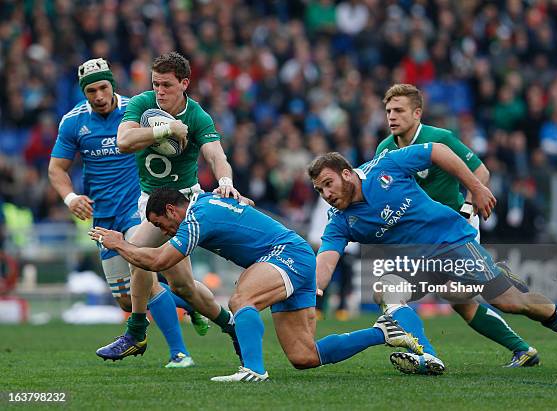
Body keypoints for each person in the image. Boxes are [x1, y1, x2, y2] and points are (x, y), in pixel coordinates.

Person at [308, 147, 557, 373]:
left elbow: (438, 152)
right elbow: (326, 259)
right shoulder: (341, 221)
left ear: (346, 173)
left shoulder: (385, 166)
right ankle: (427, 355)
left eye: (328, 183)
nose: (326, 193)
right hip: (415, 264)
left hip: (452, 242)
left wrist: (476, 187)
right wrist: (312, 288)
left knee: (510, 302)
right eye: (320, 189)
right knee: (386, 290)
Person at [89, 187, 425, 382]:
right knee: (304, 356)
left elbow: (160, 262)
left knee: (241, 299)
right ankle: (384, 331)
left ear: (172, 208)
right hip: (292, 257)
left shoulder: (195, 217)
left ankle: (253, 370)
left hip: (284, 254)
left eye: (159, 221)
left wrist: (119, 243)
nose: (161, 228)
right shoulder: (206, 203)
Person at [48, 58, 208, 368]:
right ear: (83, 92)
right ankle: (190, 303)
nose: (98, 95)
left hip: (140, 209)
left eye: (103, 87)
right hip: (104, 216)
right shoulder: (72, 122)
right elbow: (57, 168)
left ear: (113, 85)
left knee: (145, 275)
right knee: (127, 299)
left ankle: (179, 353)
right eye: (91, 90)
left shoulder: (138, 111)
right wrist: (69, 198)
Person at [374, 83, 537, 368]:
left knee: (488, 297)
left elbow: (481, 172)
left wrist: (467, 207)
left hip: (455, 227)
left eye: (398, 110)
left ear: (417, 113)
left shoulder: (439, 138)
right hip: (421, 237)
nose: (391, 116)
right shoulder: (384, 149)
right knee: (452, 298)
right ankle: (521, 349)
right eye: (388, 111)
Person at [94, 52, 241, 363]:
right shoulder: (142, 103)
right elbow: (124, 140)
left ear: (184, 83)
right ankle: (231, 325)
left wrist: (225, 180)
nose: (159, 91)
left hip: (182, 204)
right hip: (150, 201)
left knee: (137, 251)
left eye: (166, 85)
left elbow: (216, 156)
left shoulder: (198, 116)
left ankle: (135, 332)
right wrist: (165, 130)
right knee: (184, 287)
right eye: (155, 84)